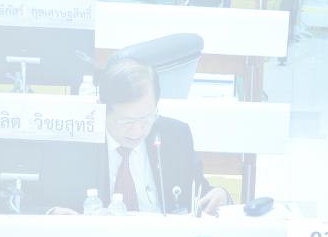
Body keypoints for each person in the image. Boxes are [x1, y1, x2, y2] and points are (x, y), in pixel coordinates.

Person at [39, 59, 231, 216]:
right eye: (126, 122)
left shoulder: (175, 136)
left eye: (147, 118)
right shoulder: (77, 143)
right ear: (101, 109)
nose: (138, 130)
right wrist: (52, 212)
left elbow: (199, 194)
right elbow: (36, 201)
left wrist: (221, 195)